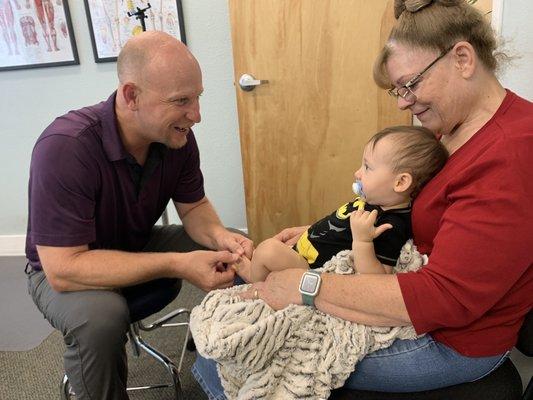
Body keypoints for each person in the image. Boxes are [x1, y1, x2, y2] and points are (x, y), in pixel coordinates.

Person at [192, 0, 533, 396]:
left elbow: (446, 298)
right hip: (416, 300)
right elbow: (406, 212)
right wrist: (323, 232)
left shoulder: (510, 154)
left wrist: (304, 286)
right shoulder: (453, 129)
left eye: (411, 84)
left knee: (234, 349)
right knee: (245, 316)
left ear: (462, 59)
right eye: (398, 90)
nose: (404, 101)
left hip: (451, 342)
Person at [25, 31, 252, 400]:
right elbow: (64, 268)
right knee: (101, 318)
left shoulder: (175, 137)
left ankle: (248, 372)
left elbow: (193, 208)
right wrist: (177, 264)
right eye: (181, 101)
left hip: (135, 243)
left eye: (197, 98)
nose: (196, 116)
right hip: (62, 272)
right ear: (132, 96)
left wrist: (222, 238)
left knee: (239, 256)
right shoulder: (65, 148)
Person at [233, 125, 447, 283]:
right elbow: (340, 227)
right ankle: (260, 271)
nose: (358, 173)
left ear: (400, 182)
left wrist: (363, 241)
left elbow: (379, 277)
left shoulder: (390, 224)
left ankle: (256, 284)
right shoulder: (373, 201)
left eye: (367, 167)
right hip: (306, 250)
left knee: (267, 250)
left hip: (315, 272)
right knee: (273, 246)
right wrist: (308, 231)